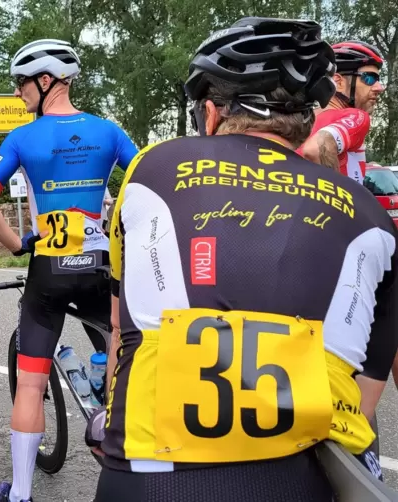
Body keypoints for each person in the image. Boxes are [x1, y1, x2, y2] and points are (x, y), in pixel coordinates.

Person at [86, 17, 398, 501]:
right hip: (303, 479)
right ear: (303, 120)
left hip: (148, 475)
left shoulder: (153, 166)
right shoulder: (374, 218)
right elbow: (366, 393)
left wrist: (112, 416)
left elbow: (122, 322)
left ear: (210, 114)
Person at [0, 38, 139, 502]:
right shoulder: (107, 131)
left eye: (22, 83)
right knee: (123, 364)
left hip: (49, 268)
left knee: (30, 382)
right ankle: (127, 468)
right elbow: (147, 180)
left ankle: (21, 492)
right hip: (100, 268)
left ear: (46, 81)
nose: (18, 92)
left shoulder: (23, 138)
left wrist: (14, 244)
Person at [299, 41, 386, 181]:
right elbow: (317, 148)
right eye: (368, 78)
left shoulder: (301, 120)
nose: (379, 88)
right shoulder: (356, 116)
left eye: (378, 79)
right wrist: (338, 197)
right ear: (338, 83)